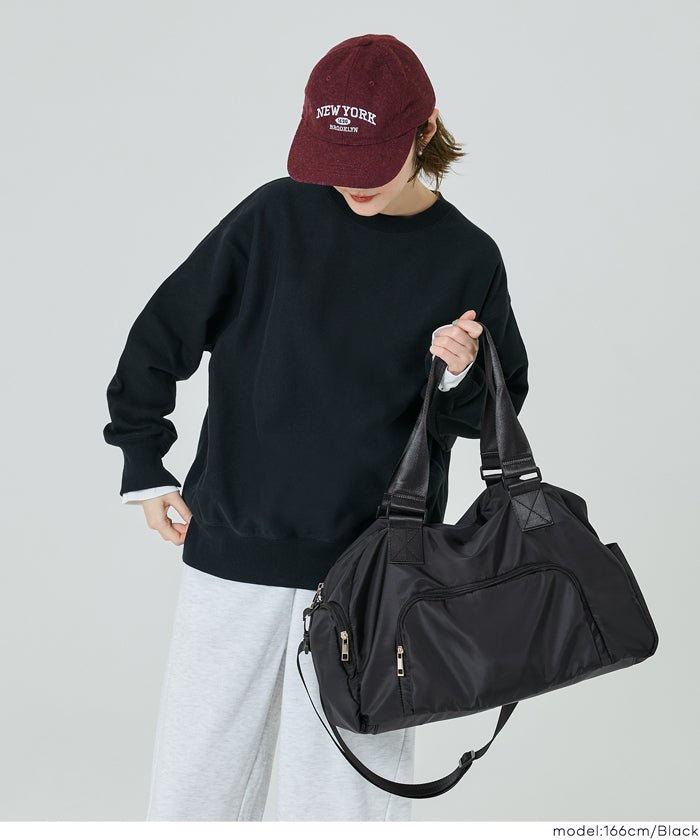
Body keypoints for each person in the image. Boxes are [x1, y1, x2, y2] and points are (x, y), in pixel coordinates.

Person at [103, 33, 529, 822]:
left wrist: (463, 370)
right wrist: (143, 462)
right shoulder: (274, 216)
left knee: (346, 806)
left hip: (376, 572)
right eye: (335, 160)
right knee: (195, 789)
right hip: (235, 546)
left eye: (371, 161)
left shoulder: (468, 257)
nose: (352, 183)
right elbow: (163, 331)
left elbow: (493, 413)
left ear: (425, 128)